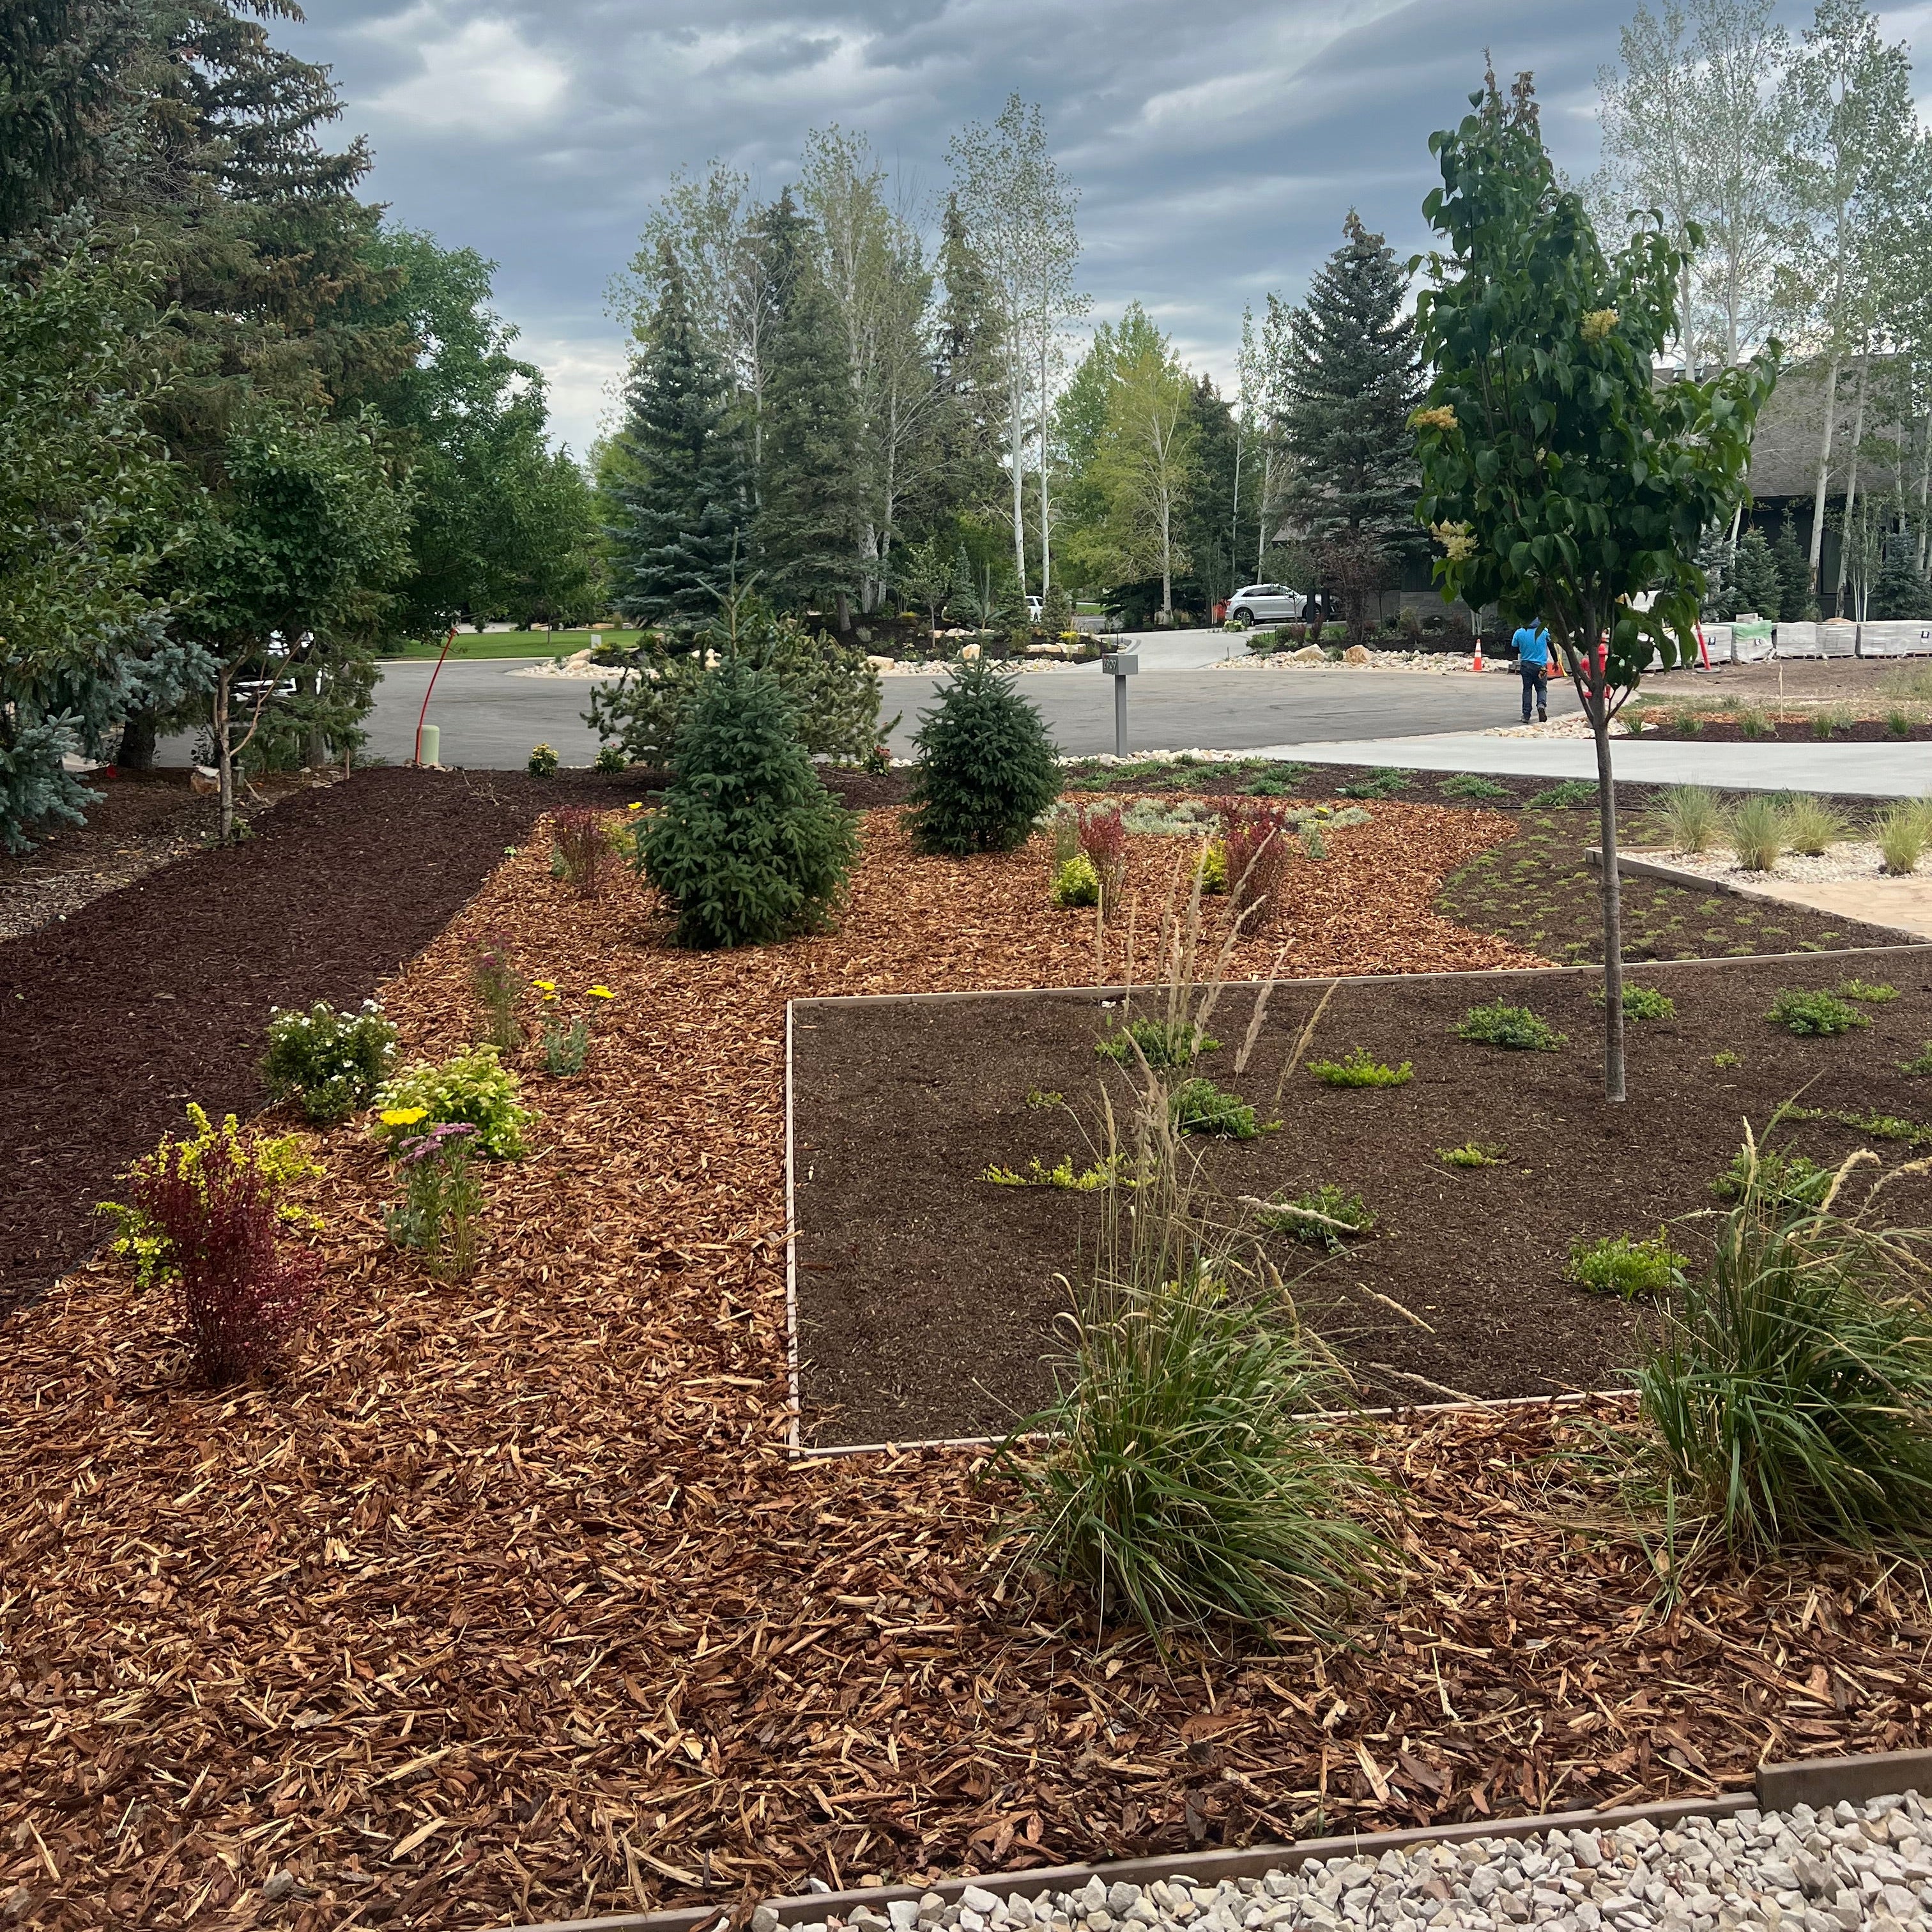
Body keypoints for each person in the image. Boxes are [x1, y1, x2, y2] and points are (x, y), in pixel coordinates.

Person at [1512, 621, 1552, 723]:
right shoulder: (1543, 631)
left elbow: (1515, 650)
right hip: (1541, 667)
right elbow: (1551, 647)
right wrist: (1556, 661)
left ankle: (1526, 715)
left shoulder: (1519, 633)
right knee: (1542, 688)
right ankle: (1541, 705)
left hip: (1526, 666)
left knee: (1527, 689)